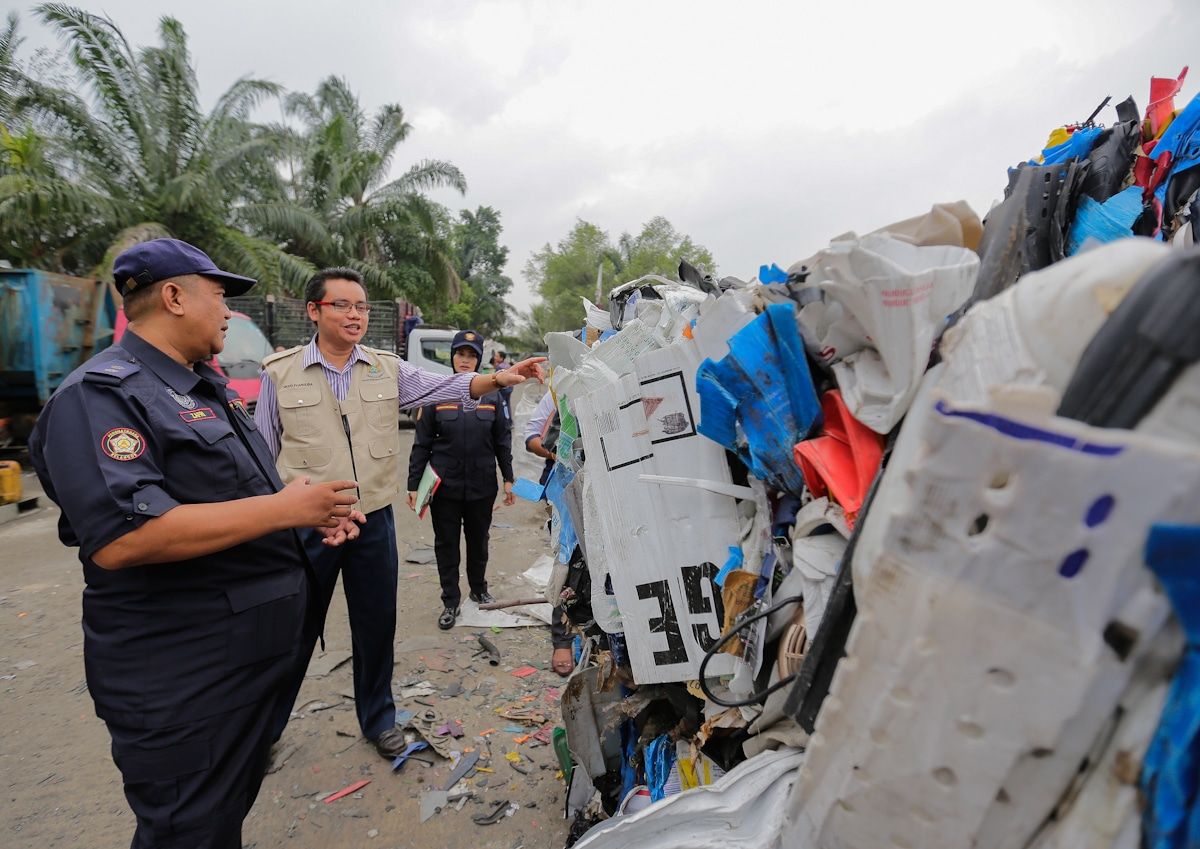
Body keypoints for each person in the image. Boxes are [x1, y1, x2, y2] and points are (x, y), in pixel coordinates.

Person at [29, 238, 362, 849]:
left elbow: (227, 498)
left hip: (237, 668)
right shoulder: (102, 396)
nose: (229, 312)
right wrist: (283, 507)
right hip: (182, 680)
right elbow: (125, 538)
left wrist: (299, 512)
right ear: (175, 296)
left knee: (216, 821)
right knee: (187, 830)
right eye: (218, 295)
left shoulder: (201, 388)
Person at [256, 269, 543, 759]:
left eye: (362, 307)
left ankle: (378, 719)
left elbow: (446, 387)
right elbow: (261, 459)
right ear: (314, 311)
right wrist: (278, 516)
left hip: (371, 521)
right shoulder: (278, 373)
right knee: (291, 631)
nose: (354, 315)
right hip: (308, 528)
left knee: (376, 625)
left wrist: (498, 377)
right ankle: (262, 733)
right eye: (342, 305)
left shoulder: (386, 368)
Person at [406, 331, 515, 630]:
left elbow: (502, 440)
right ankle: (450, 601)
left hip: (482, 486)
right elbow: (421, 444)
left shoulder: (493, 394)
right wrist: (413, 485)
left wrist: (508, 478)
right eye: (460, 354)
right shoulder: (435, 394)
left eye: (471, 355)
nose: (465, 360)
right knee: (447, 545)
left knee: (479, 542)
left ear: (479, 359)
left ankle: (479, 589)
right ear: (452, 357)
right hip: (445, 488)